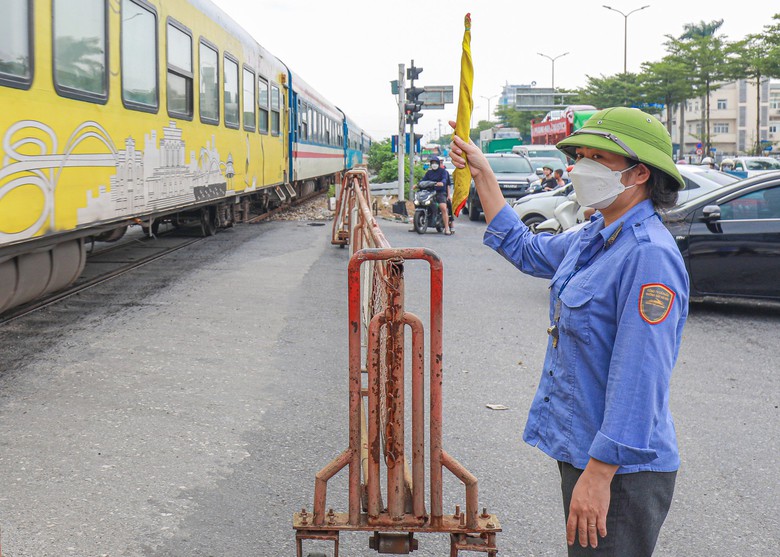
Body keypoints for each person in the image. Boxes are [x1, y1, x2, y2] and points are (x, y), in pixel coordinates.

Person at [449, 107, 689, 556]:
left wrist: (599, 474)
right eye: (579, 155)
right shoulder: (594, 234)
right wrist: (482, 171)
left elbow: (640, 377)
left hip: (621, 470)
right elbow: (523, 248)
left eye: (597, 157)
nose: (579, 168)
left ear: (638, 174)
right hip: (586, 454)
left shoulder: (649, 256)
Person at [420, 155, 451, 234]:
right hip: (429, 192)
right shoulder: (429, 172)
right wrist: (417, 185)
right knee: (419, 204)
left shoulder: (443, 171)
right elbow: (423, 180)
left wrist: (441, 183)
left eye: (435, 163)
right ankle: (415, 225)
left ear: (438, 163)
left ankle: (447, 228)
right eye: (432, 163)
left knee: (443, 207)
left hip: (440, 192)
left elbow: (445, 180)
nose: (434, 164)